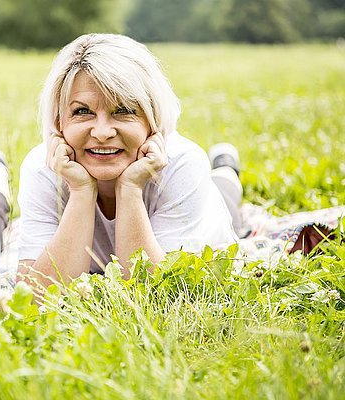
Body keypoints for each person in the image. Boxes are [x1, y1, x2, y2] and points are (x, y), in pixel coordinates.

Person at [17, 33, 239, 286]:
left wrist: (131, 189)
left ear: (152, 119)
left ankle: (226, 167)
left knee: (225, 190)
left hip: (210, 208)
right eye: (82, 111)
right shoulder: (43, 167)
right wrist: (80, 191)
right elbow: (33, 300)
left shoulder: (183, 162)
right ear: (58, 122)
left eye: (123, 111)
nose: (102, 133)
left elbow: (158, 296)